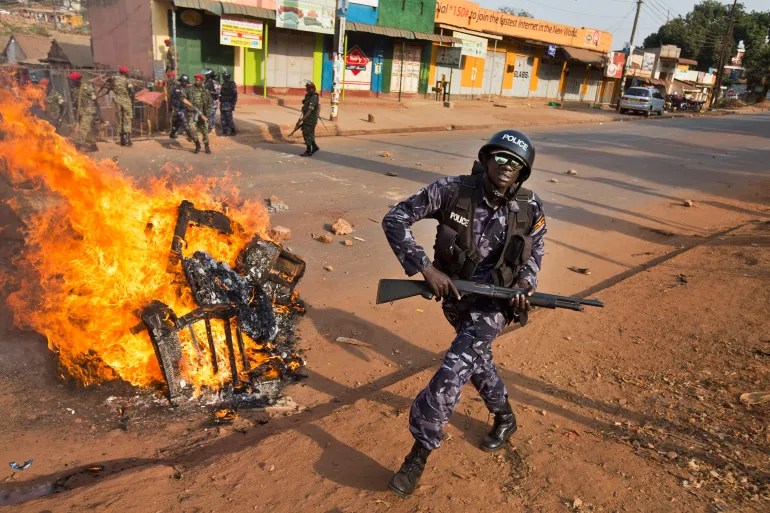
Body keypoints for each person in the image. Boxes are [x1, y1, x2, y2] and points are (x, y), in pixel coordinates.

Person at [381, 130, 547, 499]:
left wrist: (525, 285)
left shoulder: (530, 207)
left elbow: (534, 255)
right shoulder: (453, 190)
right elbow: (395, 218)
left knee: (454, 368)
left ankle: (417, 456)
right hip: (456, 298)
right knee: (478, 361)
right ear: (486, 159)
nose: (506, 166)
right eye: (500, 157)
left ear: (523, 171)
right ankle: (505, 417)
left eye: (515, 162)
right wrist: (426, 268)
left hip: (495, 305)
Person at [69, 71, 100, 152]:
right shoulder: (75, 89)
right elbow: (76, 103)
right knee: (88, 129)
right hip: (81, 112)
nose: (71, 82)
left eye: (72, 81)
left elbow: (95, 100)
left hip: (88, 111)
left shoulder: (86, 88)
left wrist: (98, 113)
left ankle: (77, 146)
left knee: (83, 129)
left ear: (77, 80)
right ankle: (93, 145)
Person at [182, 74, 211, 154]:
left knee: (204, 131)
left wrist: (207, 114)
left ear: (202, 81)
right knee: (192, 130)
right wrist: (190, 106)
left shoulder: (205, 91)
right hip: (192, 114)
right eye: (196, 80)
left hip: (203, 114)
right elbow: (182, 98)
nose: (196, 81)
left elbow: (210, 103)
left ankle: (206, 146)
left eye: (198, 80)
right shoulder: (189, 89)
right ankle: (197, 144)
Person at [111, 65, 135, 147]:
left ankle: (122, 140)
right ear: (125, 73)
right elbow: (132, 91)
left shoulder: (114, 79)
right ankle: (128, 139)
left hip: (117, 101)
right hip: (126, 101)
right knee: (127, 118)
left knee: (120, 118)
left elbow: (110, 85)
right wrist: (132, 100)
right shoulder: (127, 80)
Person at [169, 74, 194, 144]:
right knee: (185, 122)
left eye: (186, 82)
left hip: (183, 107)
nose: (185, 83)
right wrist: (170, 106)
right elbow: (172, 97)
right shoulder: (176, 88)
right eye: (183, 82)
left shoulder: (187, 88)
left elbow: (189, 98)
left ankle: (172, 133)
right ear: (181, 81)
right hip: (177, 107)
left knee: (178, 122)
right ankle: (191, 137)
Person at [299, 82, 319, 156]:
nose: (306, 90)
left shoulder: (314, 97)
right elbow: (305, 102)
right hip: (307, 118)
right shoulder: (308, 95)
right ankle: (314, 147)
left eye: (307, 88)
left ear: (312, 89)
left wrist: (301, 120)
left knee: (306, 134)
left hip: (311, 119)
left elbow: (309, 111)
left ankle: (308, 151)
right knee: (309, 134)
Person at [219, 70, 237, 136]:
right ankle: (224, 132)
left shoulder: (232, 84)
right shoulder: (223, 84)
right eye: (223, 76)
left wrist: (233, 105)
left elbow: (235, 96)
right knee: (223, 119)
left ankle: (233, 130)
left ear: (227, 77)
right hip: (223, 104)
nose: (223, 77)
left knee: (229, 119)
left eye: (224, 76)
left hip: (229, 104)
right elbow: (221, 93)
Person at [203, 68, 220, 133]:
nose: (205, 75)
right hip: (208, 100)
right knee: (207, 114)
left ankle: (212, 128)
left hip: (213, 100)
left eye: (207, 73)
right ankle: (209, 127)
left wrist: (209, 92)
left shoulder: (214, 81)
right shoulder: (207, 80)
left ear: (210, 74)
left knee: (212, 114)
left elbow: (218, 92)